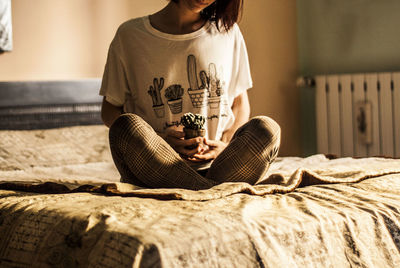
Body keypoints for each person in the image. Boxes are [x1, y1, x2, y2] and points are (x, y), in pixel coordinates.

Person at [100, 0, 281, 190]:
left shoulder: (228, 32)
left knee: (268, 129)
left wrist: (224, 146)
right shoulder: (130, 35)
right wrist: (159, 142)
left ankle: (197, 188)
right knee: (126, 126)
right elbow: (109, 110)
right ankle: (209, 190)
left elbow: (240, 103)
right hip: (154, 166)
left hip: (221, 167)